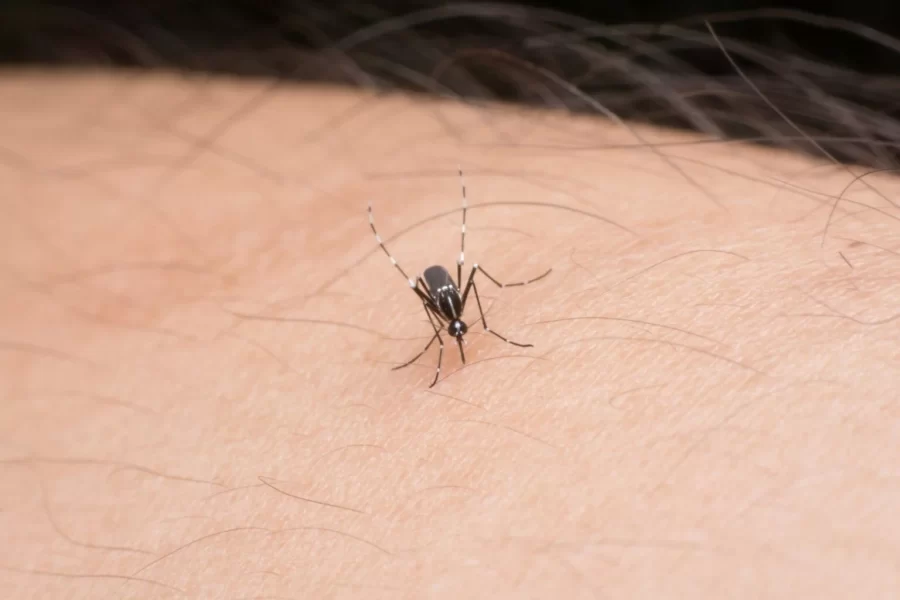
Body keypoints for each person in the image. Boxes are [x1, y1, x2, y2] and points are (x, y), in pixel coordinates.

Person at [1, 12, 898, 599]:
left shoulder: (466, 297)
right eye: (455, 324)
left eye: (458, 324)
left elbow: (462, 277)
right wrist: (435, 343)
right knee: (433, 272)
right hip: (422, 265)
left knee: (472, 258)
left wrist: (476, 319)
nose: (458, 326)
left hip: (450, 260)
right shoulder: (436, 311)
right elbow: (431, 293)